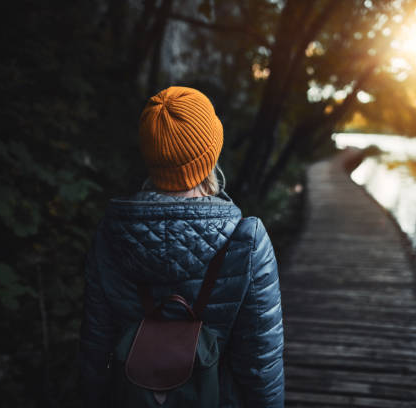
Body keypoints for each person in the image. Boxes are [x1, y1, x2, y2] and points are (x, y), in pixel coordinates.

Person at [79, 86, 284, 407]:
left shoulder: (110, 234)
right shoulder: (247, 240)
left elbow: (94, 354)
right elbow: (261, 368)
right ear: (211, 154)